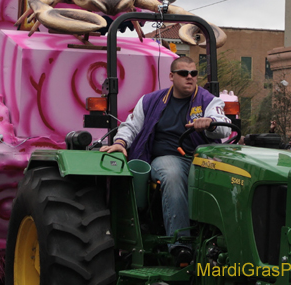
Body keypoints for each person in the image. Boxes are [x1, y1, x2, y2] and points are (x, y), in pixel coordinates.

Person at [99, 56, 230, 266]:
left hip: (202, 161)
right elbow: (131, 126)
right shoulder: (150, 101)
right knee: (172, 172)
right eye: (184, 73)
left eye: (194, 74)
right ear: (171, 76)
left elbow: (224, 125)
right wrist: (121, 142)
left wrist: (211, 124)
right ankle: (181, 246)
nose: (190, 77)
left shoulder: (209, 101)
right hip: (166, 159)